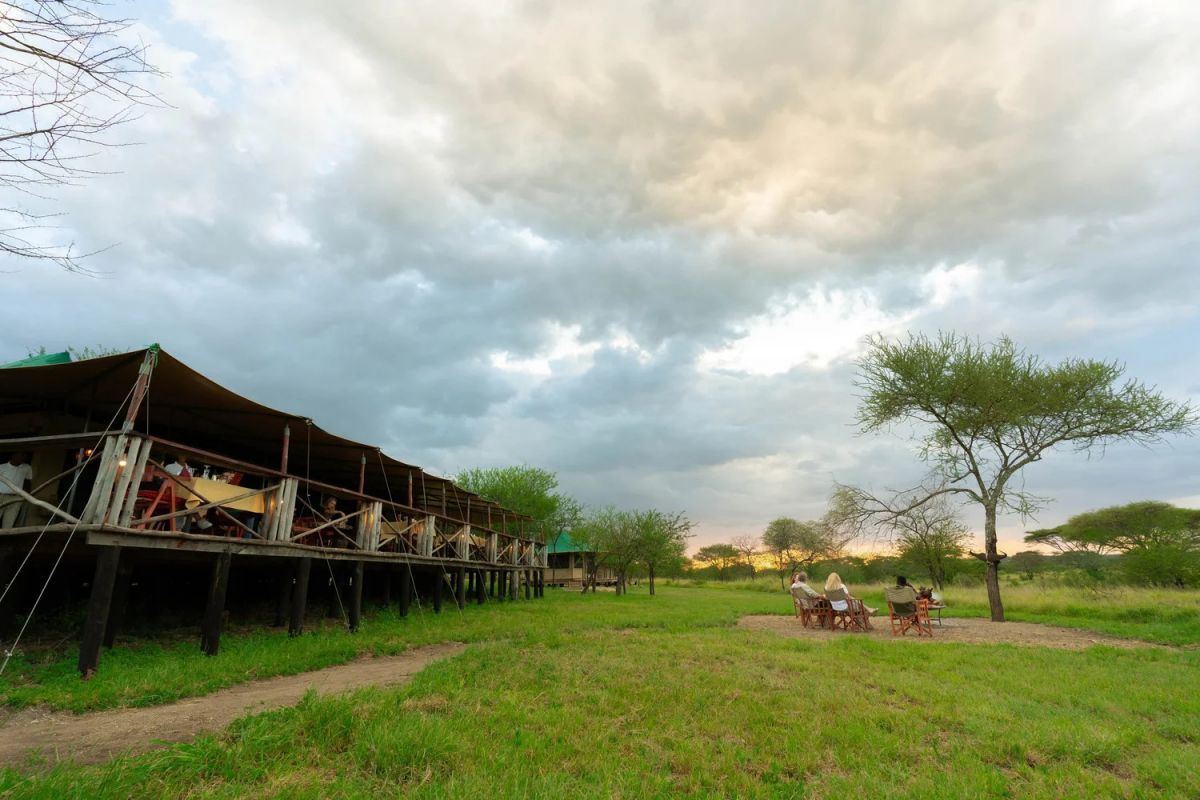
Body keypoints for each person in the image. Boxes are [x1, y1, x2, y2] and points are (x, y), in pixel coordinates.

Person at [0, 453, 33, 528]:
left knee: (9, 523)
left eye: (24, 456)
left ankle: (5, 539)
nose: (23, 458)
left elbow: (28, 482)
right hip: (1, 496)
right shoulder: (2, 467)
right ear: (13, 455)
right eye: (20, 455)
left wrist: (27, 495)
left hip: (16, 498)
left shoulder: (26, 467)